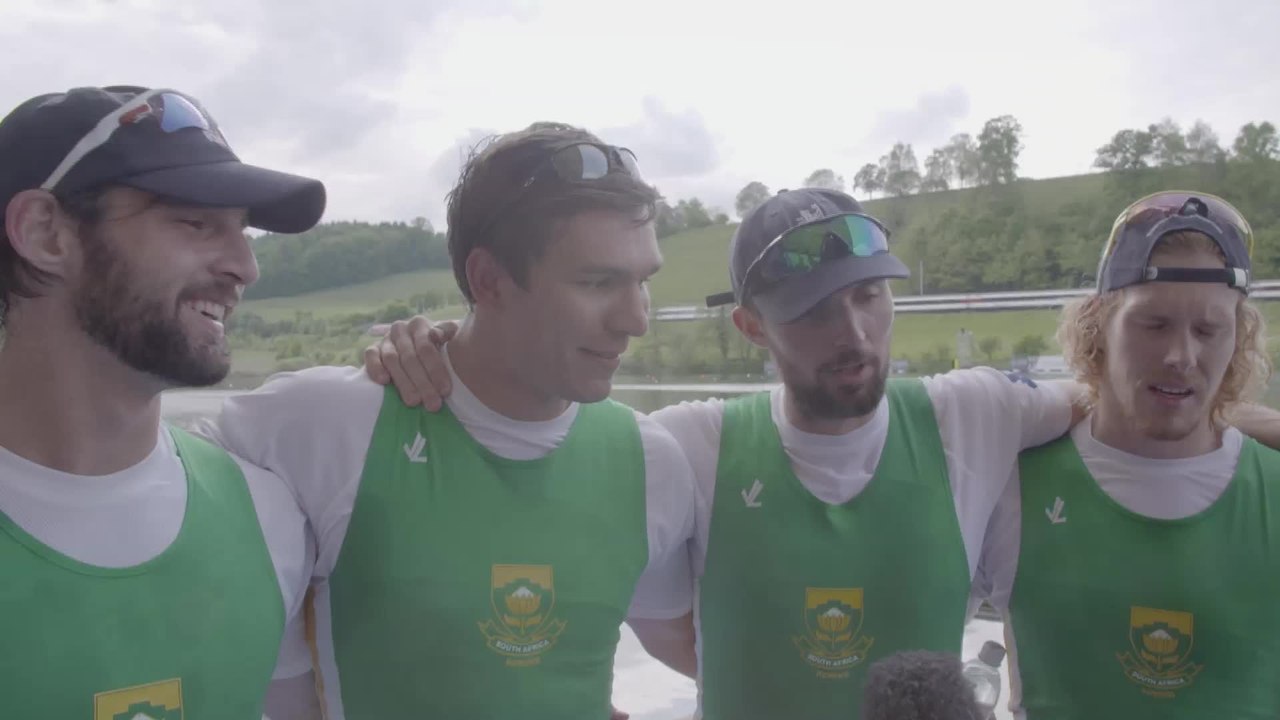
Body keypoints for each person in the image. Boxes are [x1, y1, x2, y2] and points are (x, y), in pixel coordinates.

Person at [367, 187, 1093, 718]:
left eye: (870, 295)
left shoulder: (972, 413)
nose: (855, 333)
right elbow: (525, 432)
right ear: (751, 326)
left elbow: (1121, 401)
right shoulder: (689, 444)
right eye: (812, 311)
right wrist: (433, 347)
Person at [196, 121, 698, 719]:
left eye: (643, 282)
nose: (636, 320)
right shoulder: (329, 423)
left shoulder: (653, 460)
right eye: (596, 282)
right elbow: (126, 482)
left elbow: (674, 643)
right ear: (488, 280)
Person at [0, 85, 325, 718]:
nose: (245, 267)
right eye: (195, 221)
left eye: (243, 231)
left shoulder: (270, 518)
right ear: (46, 234)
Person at [969, 191, 1280, 718]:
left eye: (1209, 330)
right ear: (1098, 327)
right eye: (1153, 324)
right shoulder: (1009, 487)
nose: (1181, 356)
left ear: (1238, 340)